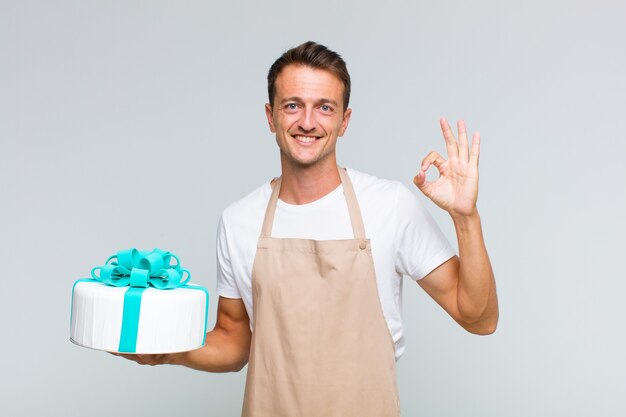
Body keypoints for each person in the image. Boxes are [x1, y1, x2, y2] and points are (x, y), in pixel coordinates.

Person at [119, 41, 498, 416]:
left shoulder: (389, 205)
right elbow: (234, 342)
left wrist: (466, 217)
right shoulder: (238, 221)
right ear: (270, 116)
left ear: (344, 121)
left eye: (325, 108)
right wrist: (170, 351)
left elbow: (479, 318)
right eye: (292, 105)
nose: (307, 122)